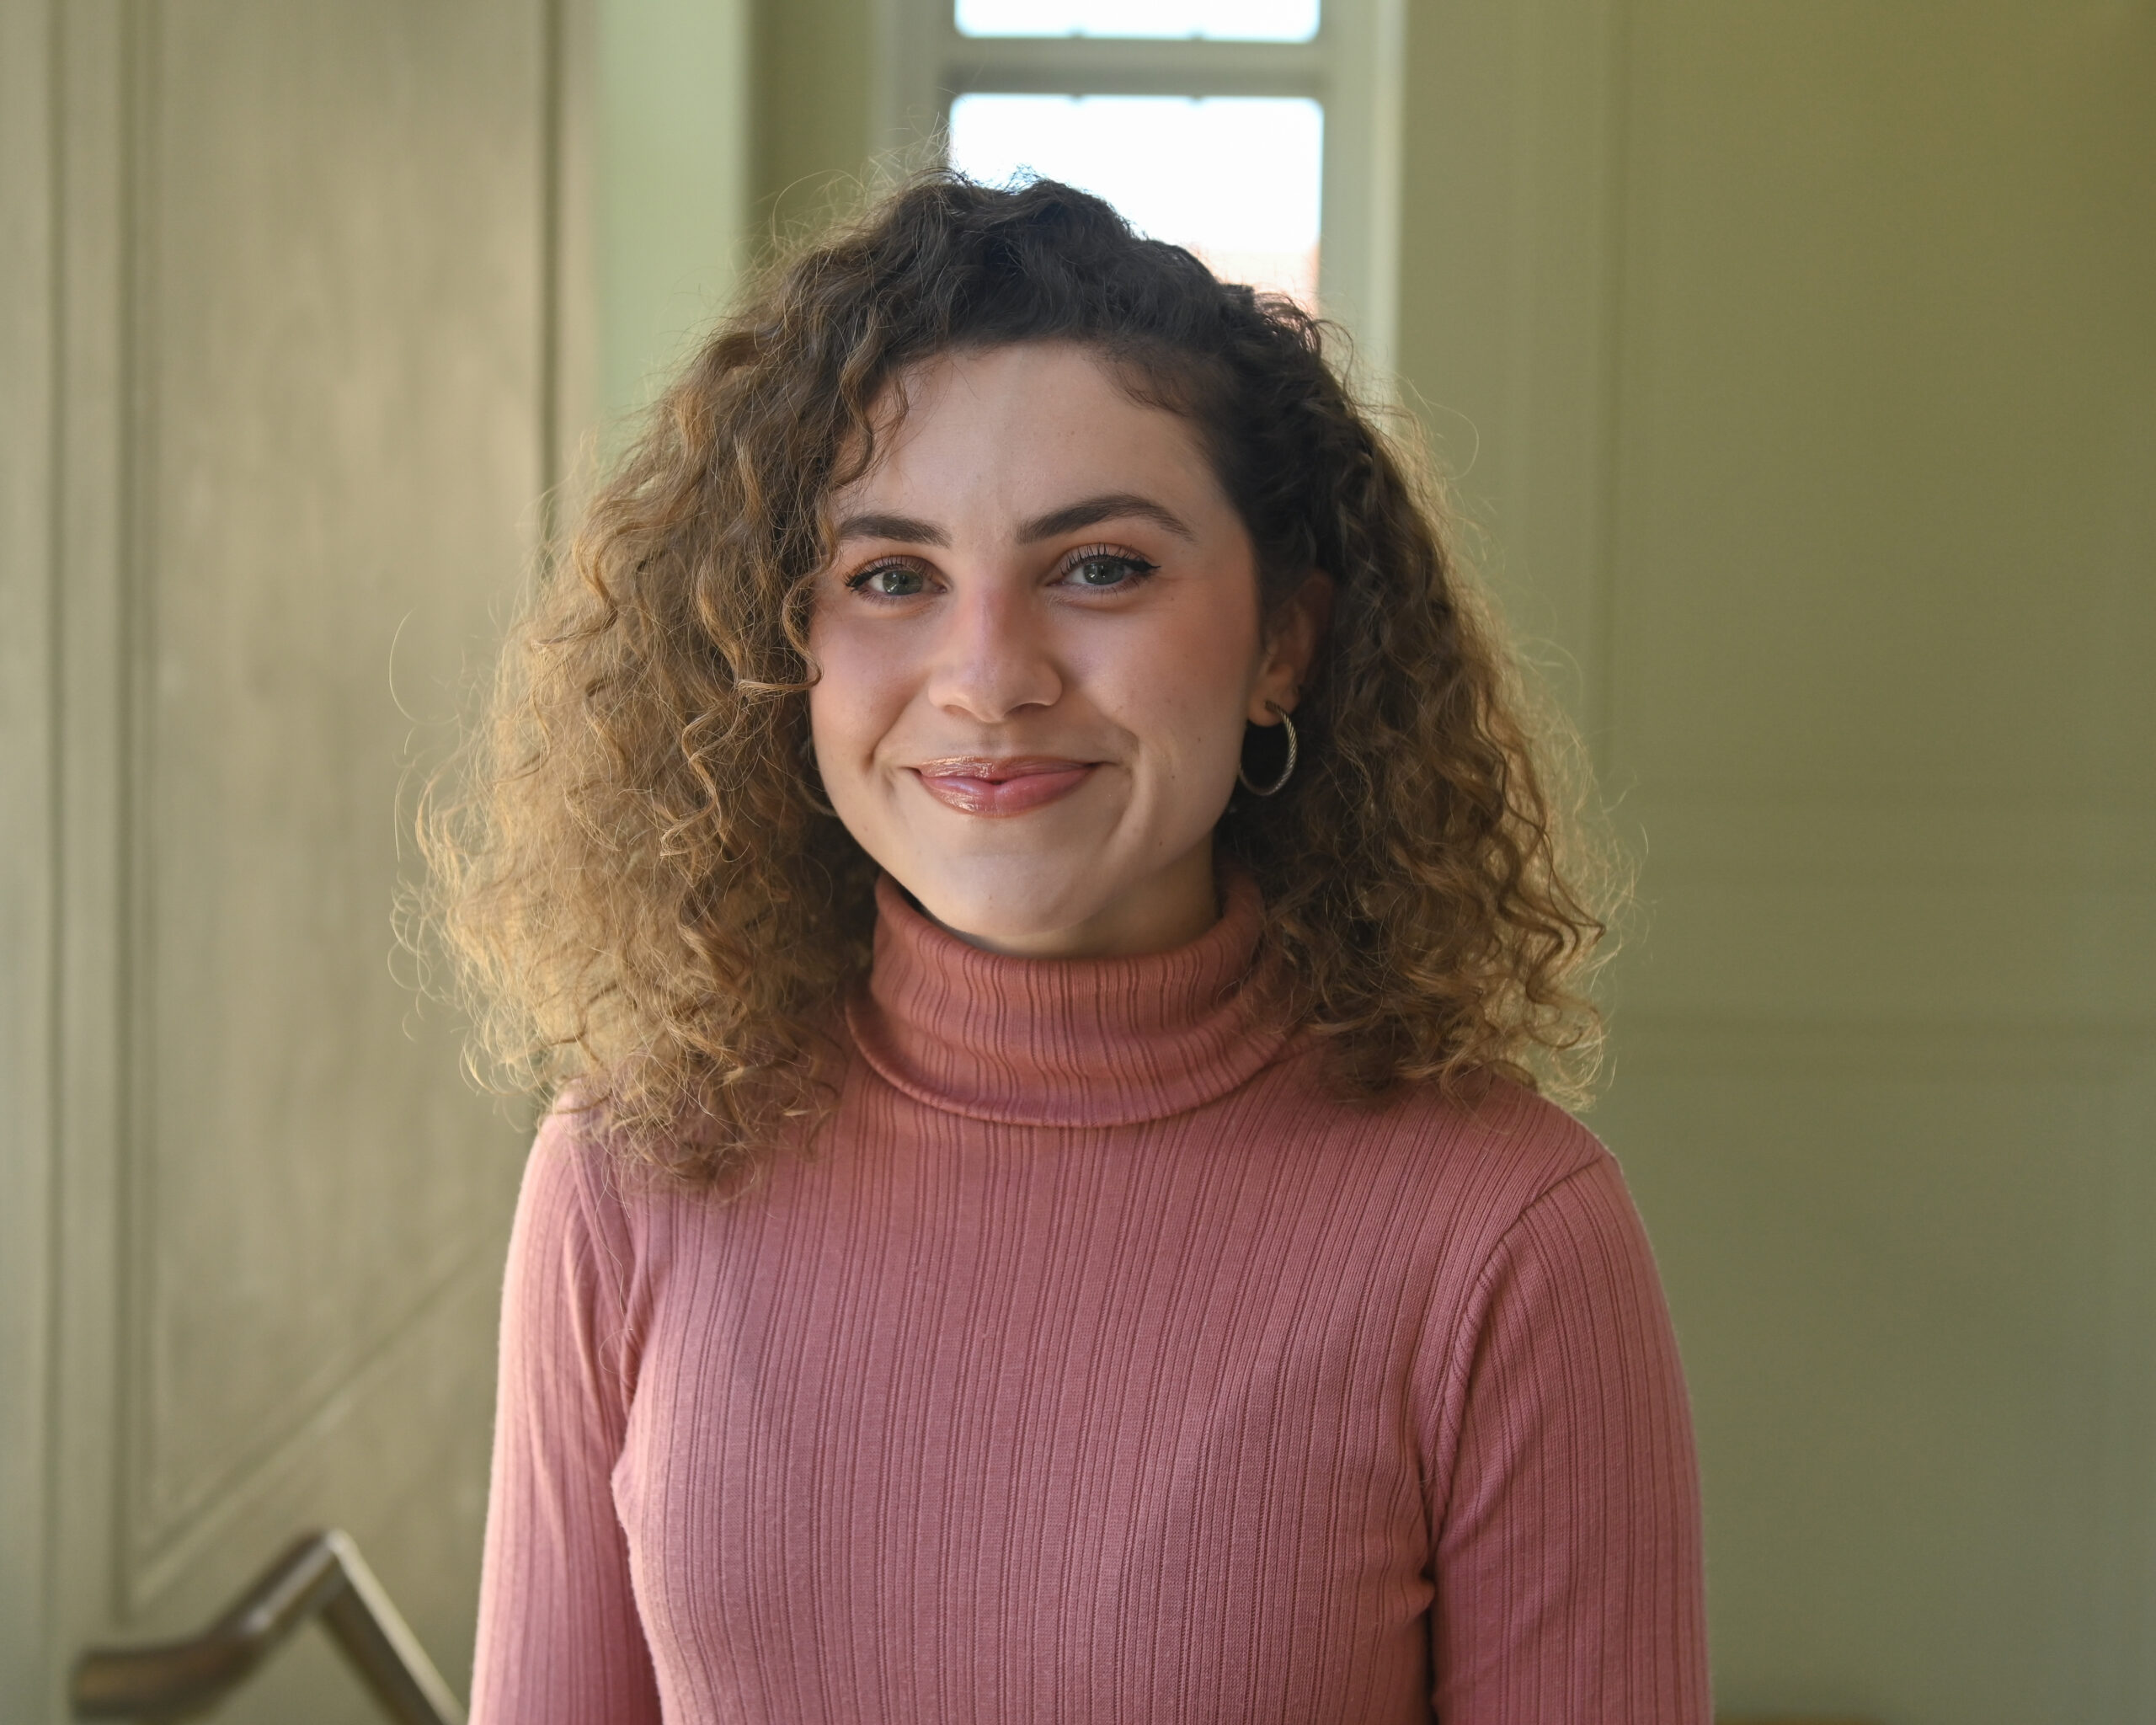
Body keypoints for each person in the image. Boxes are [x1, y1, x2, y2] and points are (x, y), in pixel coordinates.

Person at [431, 174, 1709, 1723]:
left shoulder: (1508, 1238)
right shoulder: (630, 1171)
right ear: (783, 645)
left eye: (1099, 567)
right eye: (891, 577)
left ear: (1283, 644)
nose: (989, 677)